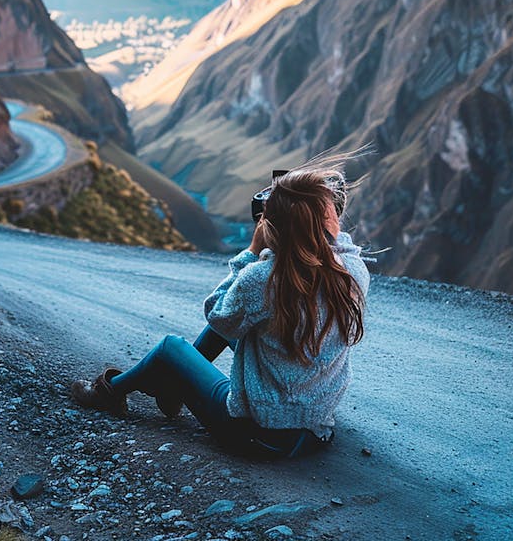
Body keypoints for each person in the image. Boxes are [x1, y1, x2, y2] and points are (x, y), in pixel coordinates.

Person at [71, 163, 370, 458]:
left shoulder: (264, 279)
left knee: (169, 348)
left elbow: (218, 315)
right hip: (315, 432)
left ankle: (108, 393)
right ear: (330, 222)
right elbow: (334, 246)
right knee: (245, 323)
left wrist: (252, 252)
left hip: (257, 435)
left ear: (272, 228)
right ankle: (172, 392)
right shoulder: (353, 272)